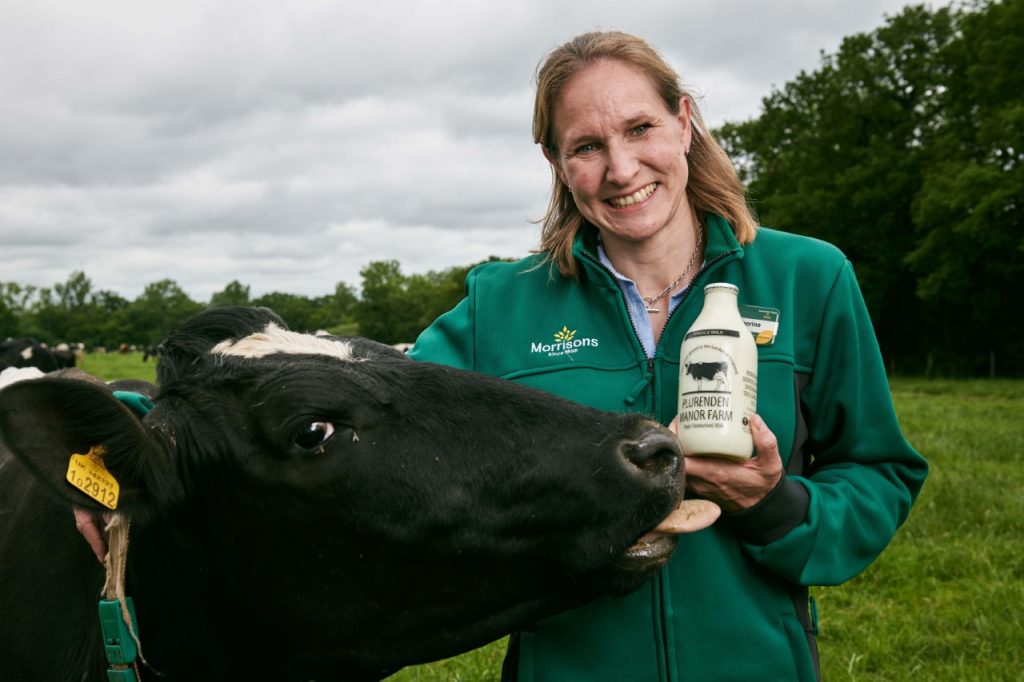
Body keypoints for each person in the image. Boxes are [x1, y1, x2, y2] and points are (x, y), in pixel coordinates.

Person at [408, 31, 928, 682]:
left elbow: (880, 470)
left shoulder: (809, 277)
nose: (622, 169)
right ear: (555, 160)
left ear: (683, 124)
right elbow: (389, 440)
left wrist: (771, 506)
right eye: (588, 147)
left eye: (640, 128)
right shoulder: (499, 306)